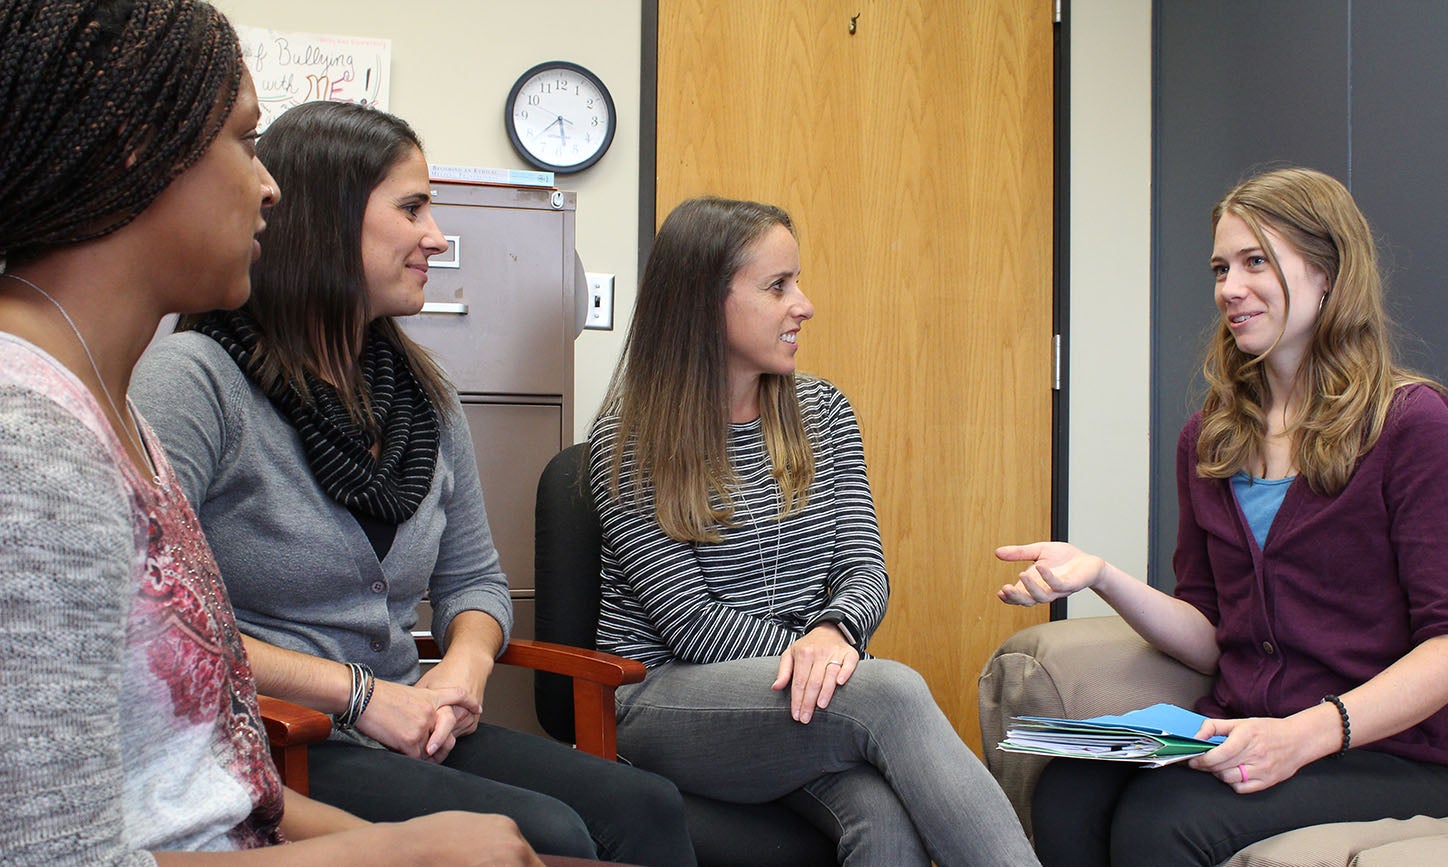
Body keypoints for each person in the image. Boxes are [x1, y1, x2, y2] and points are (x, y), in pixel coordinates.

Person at [0, 2, 537, 864]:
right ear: (141, 148)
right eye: (248, 142)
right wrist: (395, 852)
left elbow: (214, 783)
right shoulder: (31, 445)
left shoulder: (112, 416)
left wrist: (401, 842)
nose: (270, 186)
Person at [130, 99, 695, 866]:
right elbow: (161, 624)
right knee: (549, 835)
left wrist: (460, 672)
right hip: (282, 742)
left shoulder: (425, 395)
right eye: (413, 208)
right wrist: (361, 695)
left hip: (414, 724)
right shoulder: (197, 380)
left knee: (648, 804)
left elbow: (477, 584)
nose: (437, 235)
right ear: (328, 221)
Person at [995, 166, 1448, 866]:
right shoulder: (1210, 438)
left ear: (1328, 272)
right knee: (1067, 789)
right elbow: (1213, 637)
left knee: (1164, 819)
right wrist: (1102, 575)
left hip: (1394, 755)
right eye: (1221, 267)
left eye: (1256, 261)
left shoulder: (1411, 423)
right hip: (1243, 726)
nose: (1230, 288)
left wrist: (1304, 735)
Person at [589, 195, 1042, 867]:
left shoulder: (824, 412)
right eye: (778, 286)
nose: (804, 304)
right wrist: (828, 662)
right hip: (663, 700)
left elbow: (865, 570)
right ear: (706, 302)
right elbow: (692, 624)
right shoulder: (630, 440)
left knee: (885, 820)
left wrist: (836, 634)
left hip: (795, 696)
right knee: (887, 692)